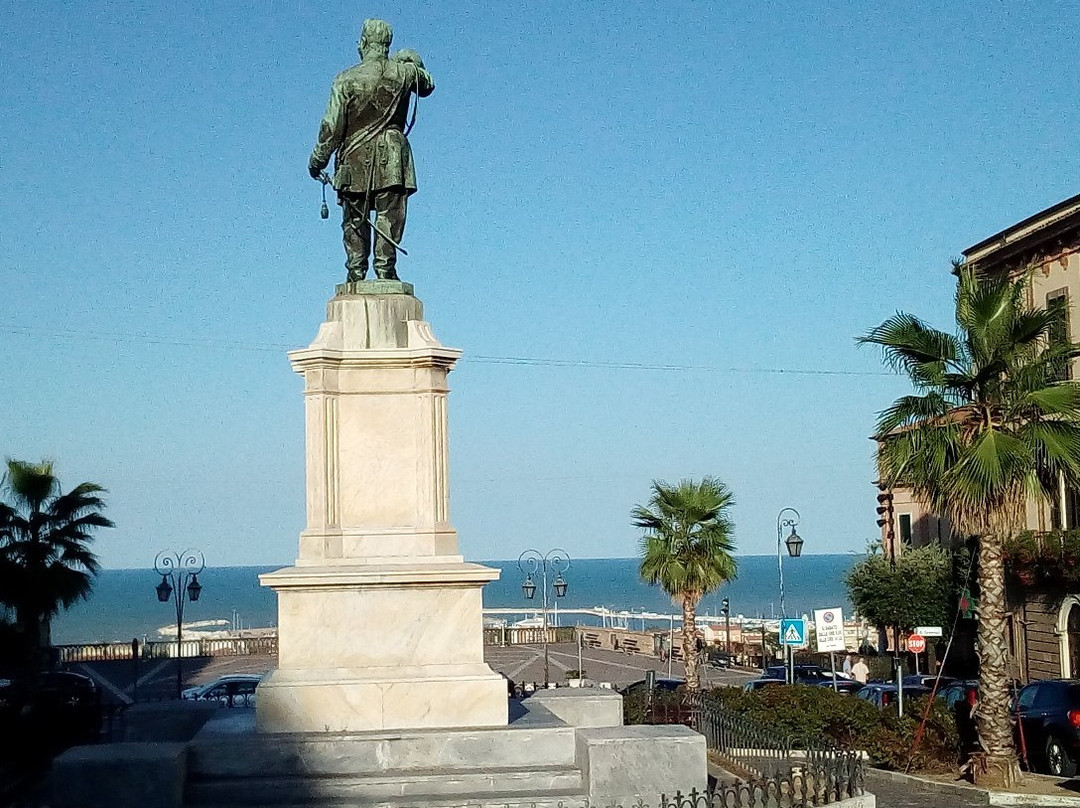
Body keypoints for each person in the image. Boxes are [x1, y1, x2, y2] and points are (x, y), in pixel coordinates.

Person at [309, 19, 435, 282]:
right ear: (387, 45)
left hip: (353, 159)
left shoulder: (345, 80)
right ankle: (386, 270)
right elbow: (427, 84)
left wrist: (317, 159)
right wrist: (410, 58)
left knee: (355, 220)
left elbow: (331, 126)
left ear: (363, 44)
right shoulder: (403, 73)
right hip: (392, 156)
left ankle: (356, 273)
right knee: (390, 216)